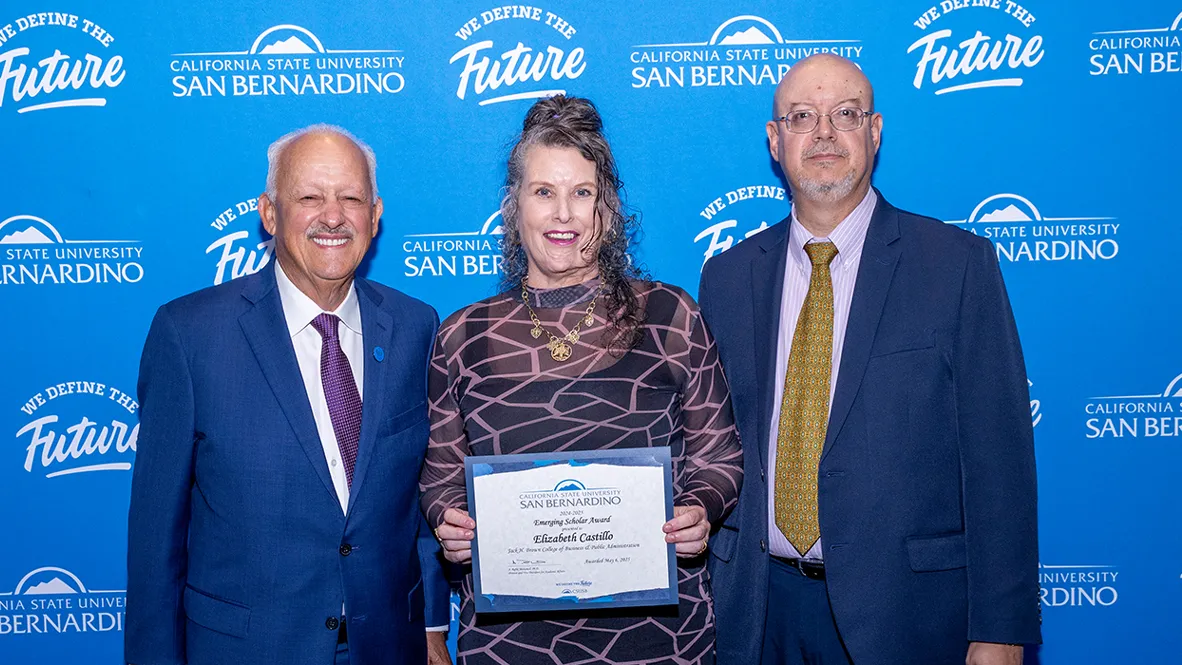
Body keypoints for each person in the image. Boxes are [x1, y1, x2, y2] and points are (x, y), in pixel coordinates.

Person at [700, 55, 1040, 665]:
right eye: (802, 117)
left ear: (875, 132)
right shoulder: (726, 278)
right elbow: (708, 442)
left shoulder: (956, 266)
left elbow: (1000, 464)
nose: (824, 132)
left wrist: (1002, 629)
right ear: (775, 142)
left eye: (846, 115)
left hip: (907, 616)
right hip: (755, 613)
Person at [418, 95, 744, 665]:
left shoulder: (669, 315)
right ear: (513, 206)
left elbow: (719, 456)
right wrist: (451, 520)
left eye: (582, 193)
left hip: (661, 641)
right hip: (507, 644)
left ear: (607, 209)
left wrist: (700, 509)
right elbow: (439, 478)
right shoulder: (463, 338)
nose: (563, 214)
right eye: (544, 192)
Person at [125, 125, 451, 665]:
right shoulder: (188, 336)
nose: (332, 216)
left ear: (375, 216)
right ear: (269, 213)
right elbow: (156, 542)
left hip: (389, 646)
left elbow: (419, 497)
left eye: (350, 198)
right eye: (309, 197)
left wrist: (433, 624)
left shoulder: (416, 326)